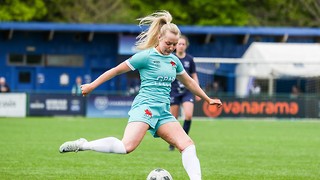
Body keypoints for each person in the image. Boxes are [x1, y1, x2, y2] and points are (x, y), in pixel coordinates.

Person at [59, 10, 222, 180]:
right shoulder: (145, 57)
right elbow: (115, 71)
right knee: (126, 146)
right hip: (145, 107)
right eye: (169, 43)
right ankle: (83, 144)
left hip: (162, 112)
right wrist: (92, 85)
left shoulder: (174, 61)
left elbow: (189, 82)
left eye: (174, 44)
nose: (172, 48)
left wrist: (208, 99)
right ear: (159, 38)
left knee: (188, 145)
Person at [168, 35, 201, 151]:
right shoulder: (170, 58)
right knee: (174, 118)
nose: (181, 46)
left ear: (186, 46)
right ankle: (173, 141)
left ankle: (183, 139)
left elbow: (194, 76)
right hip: (174, 91)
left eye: (183, 44)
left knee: (188, 115)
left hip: (187, 91)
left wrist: (197, 91)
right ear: (175, 45)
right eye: (179, 44)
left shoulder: (190, 59)